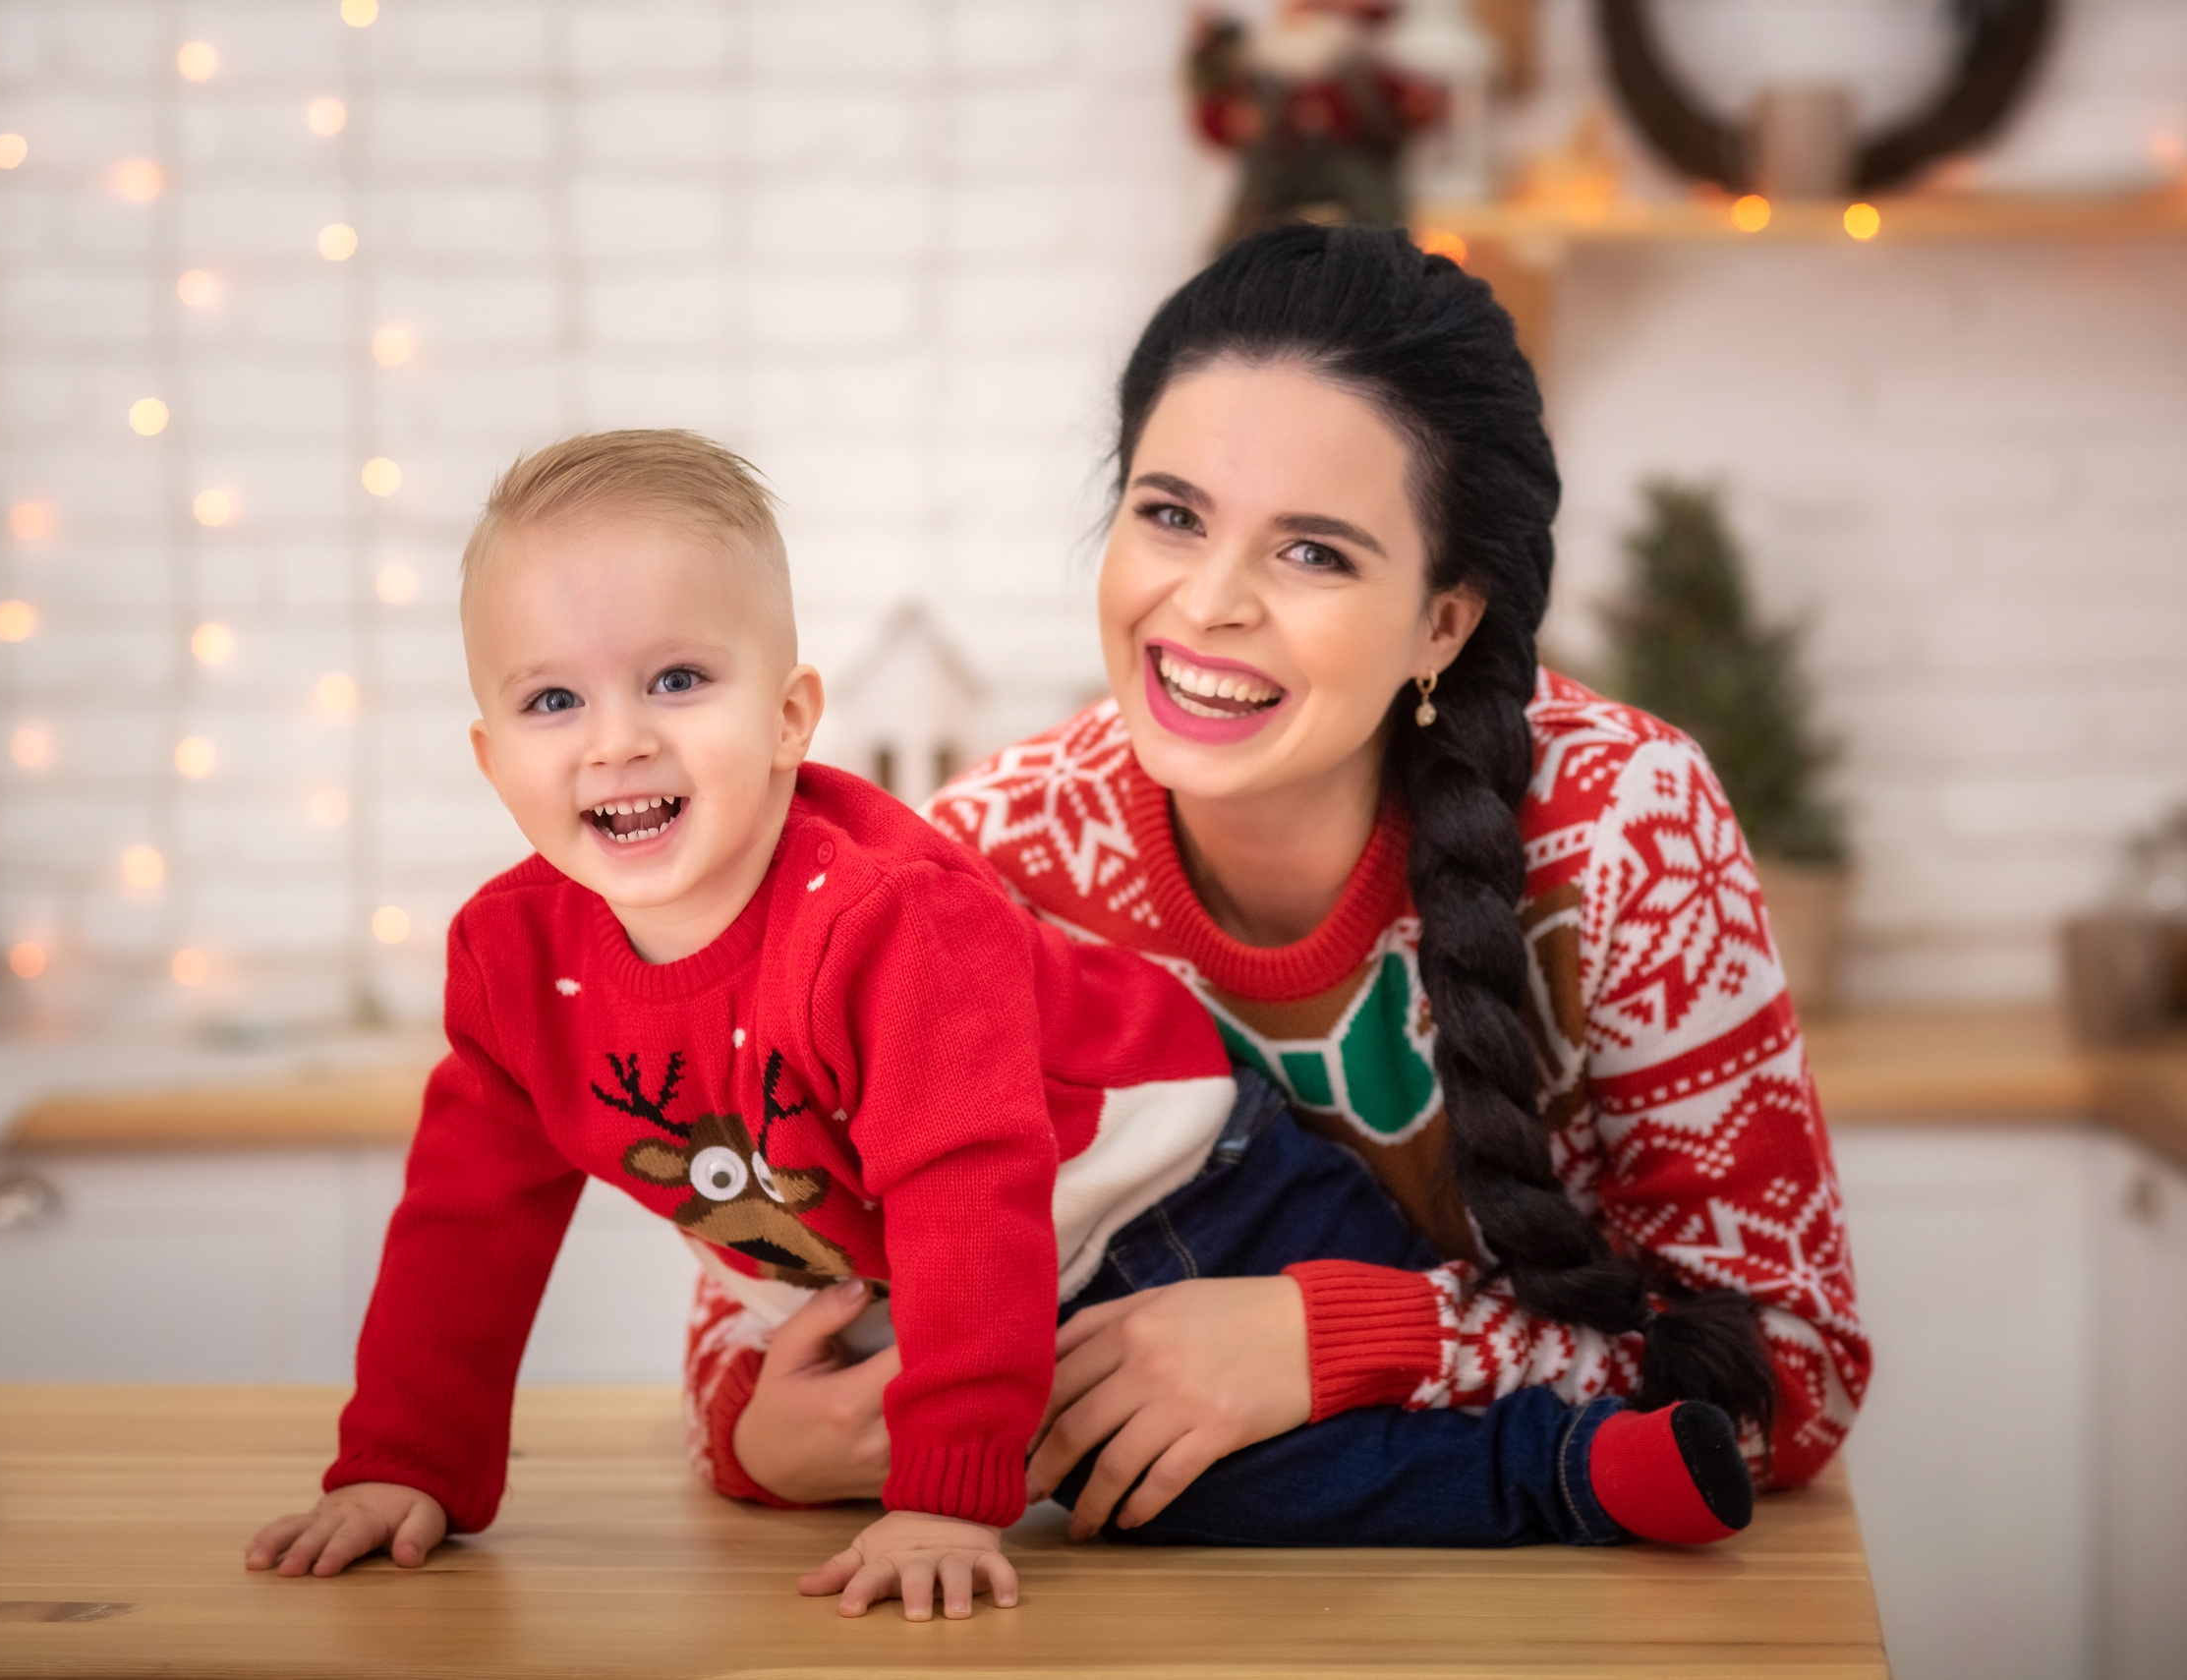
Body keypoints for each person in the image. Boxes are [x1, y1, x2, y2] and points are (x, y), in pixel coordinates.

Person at [240, 429, 1761, 1622]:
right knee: (1164, 1487)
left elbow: (970, 1181)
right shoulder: (512, 961)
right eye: (552, 703)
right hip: (960, 1289)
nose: (619, 738)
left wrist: (948, 1490)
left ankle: (1585, 1448)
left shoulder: (888, 915)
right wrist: (404, 1462)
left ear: (789, 716)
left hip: (1177, 1178)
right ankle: (1584, 1472)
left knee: (1296, 1407)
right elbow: (463, 1228)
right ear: (490, 756)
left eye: (678, 679)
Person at [691, 224, 1870, 1546]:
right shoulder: (986, 861)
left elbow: (1793, 1367)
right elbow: (745, 1319)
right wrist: (763, 1437)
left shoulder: (1624, 828)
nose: (1208, 603)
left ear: (1444, 620)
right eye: (1171, 515)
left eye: (1314, 552)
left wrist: (1339, 1335)